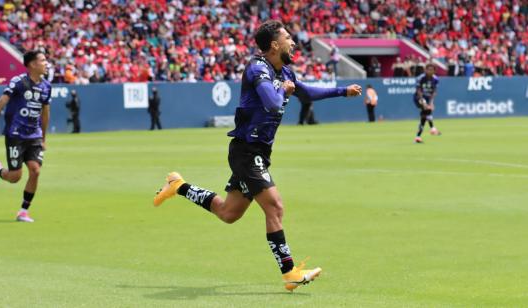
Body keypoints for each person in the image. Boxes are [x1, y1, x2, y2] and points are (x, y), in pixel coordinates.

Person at [152, 20, 362, 291]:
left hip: (257, 151)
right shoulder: (257, 68)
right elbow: (273, 102)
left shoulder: (284, 70)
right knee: (275, 206)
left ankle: (179, 186)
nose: (293, 42)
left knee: (228, 213)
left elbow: (306, 93)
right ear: (274, 45)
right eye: (288, 38)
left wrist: (342, 91)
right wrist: (282, 90)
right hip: (246, 151)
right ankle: (290, 273)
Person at [0, 50, 52, 222]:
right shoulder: (18, 82)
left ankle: (23, 211)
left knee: (35, 170)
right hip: (15, 134)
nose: (46, 63)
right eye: (43, 60)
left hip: (34, 135)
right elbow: (1, 102)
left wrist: (43, 139)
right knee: (15, 177)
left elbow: (45, 113)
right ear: (32, 64)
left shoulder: (46, 87)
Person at [414, 63, 441, 143]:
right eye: (428, 69)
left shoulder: (435, 79)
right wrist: (423, 102)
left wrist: (431, 102)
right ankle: (432, 128)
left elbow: (434, 91)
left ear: (434, 71)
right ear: (425, 70)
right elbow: (418, 90)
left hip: (428, 98)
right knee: (427, 111)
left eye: (431, 70)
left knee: (424, 116)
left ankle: (418, 136)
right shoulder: (421, 78)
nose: (429, 71)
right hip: (419, 97)